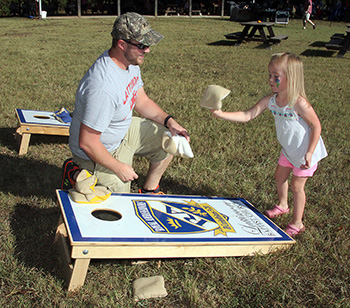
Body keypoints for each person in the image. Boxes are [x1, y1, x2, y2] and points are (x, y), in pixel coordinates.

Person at [62, 12, 190, 195]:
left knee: (169, 139)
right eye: (142, 46)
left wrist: (170, 122)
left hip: (121, 134)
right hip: (96, 154)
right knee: (120, 203)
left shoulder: (129, 63)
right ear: (122, 44)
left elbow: (141, 100)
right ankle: (75, 173)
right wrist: (119, 167)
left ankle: (150, 190)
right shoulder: (103, 87)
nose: (147, 50)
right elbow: (88, 142)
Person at [208, 53, 327, 237]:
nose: (270, 79)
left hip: (305, 153)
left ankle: (297, 223)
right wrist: (221, 114)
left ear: (291, 78)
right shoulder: (271, 100)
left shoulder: (299, 103)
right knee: (279, 176)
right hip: (288, 150)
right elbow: (248, 115)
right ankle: (283, 205)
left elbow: (316, 125)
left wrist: (310, 153)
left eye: (276, 76)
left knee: (297, 186)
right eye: (269, 75)